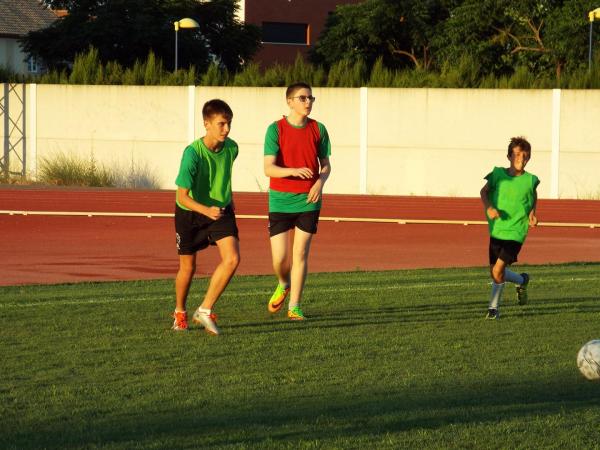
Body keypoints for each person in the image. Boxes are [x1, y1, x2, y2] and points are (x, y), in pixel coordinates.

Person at [263, 82, 332, 320]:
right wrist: (292, 171)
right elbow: (268, 168)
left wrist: (319, 183)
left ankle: (294, 306)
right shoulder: (275, 129)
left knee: (300, 253)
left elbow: (325, 165)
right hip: (280, 201)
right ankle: (284, 283)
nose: (308, 102)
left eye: (311, 98)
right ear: (289, 101)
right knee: (280, 259)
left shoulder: (318, 129)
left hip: (309, 200)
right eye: (303, 98)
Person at [171, 99, 240, 335]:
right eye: (221, 124)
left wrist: (228, 201)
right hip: (190, 213)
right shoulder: (192, 154)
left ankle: (205, 309)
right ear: (206, 124)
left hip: (219, 211)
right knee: (188, 268)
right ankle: (180, 312)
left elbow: (223, 177)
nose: (227, 129)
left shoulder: (232, 148)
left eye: (229, 123)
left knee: (232, 259)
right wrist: (205, 210)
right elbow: (182, 197)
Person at [480, 136, 540, 320]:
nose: (520, 158)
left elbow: (533, 194)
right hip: (497, 230)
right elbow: (484, 191)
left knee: (498, 271)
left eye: (524, 155)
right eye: (516, 154)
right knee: (495, 272)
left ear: (529, 157)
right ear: (508, 156)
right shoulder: (497, 175)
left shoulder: (531, 180)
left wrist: (532, 212)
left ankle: (493, 309)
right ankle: (522, 280)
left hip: (516, 232)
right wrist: (489, 207)